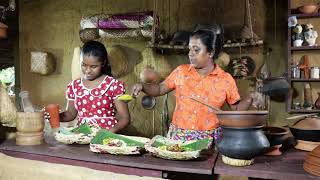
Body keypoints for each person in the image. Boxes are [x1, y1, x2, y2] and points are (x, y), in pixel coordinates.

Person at [131, 29, 263, 142]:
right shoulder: (181, 72)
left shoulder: (225, 80)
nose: (190, 54)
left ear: (210, 53)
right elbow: (159, 89)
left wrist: (250, 98)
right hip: (179, 138)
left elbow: (236, 109)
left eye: (196, 50)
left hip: (209, 141)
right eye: (190, 49)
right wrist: (143, 86)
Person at [56, 40, 130, 133]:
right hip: (82, 137)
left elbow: (125, 118)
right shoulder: (75, 86)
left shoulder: (113, 85)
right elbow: (70, 114)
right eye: (84, 65)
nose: (87, 71)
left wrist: (110, 131)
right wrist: (55, 117)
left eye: (93, 66)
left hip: (106, 139)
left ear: (103, 63)